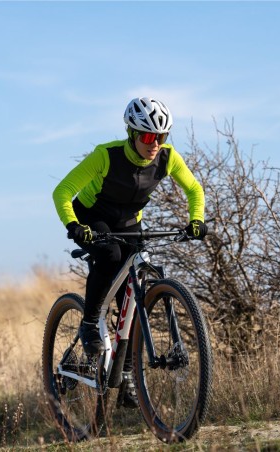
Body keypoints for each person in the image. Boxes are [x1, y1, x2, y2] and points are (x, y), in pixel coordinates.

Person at [52, 97, 208, 408]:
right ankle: (89, 322)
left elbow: (194, 189)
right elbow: (63, 191)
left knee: (134, 290)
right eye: (148, 136)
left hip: (128, 223)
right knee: (109, 256)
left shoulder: (167, 157)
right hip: (91, 217)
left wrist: (196, 219)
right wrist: (73, 225)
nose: (154, 144)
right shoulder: (105, 156)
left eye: (161, 137)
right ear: (131, 133)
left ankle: (124, 377)